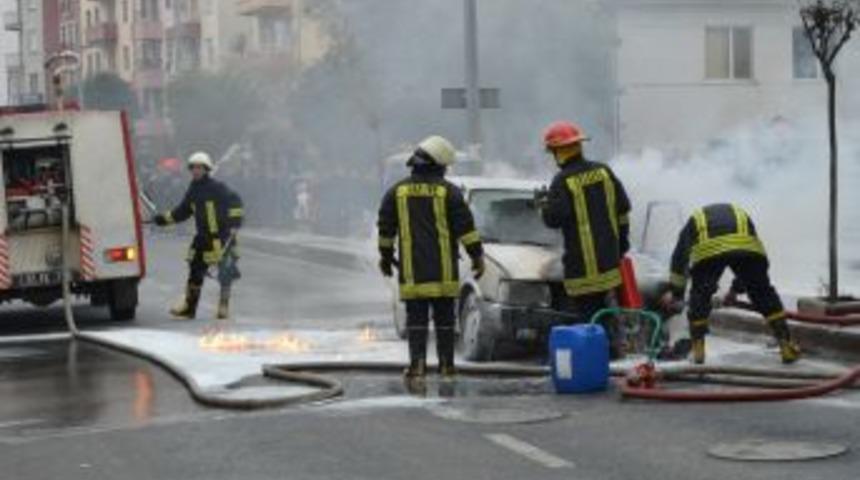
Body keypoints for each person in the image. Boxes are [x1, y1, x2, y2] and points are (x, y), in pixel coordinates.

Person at [377, 135, 485, 387]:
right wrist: (477, 257)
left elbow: (386, 230)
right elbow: (466, 229)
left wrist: (385, 258)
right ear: (438, 164)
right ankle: (447, 367)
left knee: (416, 321)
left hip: (412, 272)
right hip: (444, 272)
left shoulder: (396, 192)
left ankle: (417, 368)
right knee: (445, 321)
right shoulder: (450, 192)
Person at [660, 203, 800, 364]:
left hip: (709, 251)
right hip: (745, 248)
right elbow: (751, 262)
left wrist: (676, 293)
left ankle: (698, 353)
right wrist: (735, 290)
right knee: (763, 293)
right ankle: (786, 346)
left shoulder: (693, 222)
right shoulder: (741, 214)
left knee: (700, 295)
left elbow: (679, 259)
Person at [539, 121, 632, 357]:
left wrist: (544, 205)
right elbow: (623, 209)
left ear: (559, 152)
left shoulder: (562, 181)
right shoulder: (603, 171)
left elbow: (554, 219)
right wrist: (622, 244)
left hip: (582, 266)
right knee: (606, 309)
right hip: (609, 261)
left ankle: (593, 358)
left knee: (587, 317)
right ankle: (613, 350)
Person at [153, 151, 244, 320]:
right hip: (202, 238)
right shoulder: (193, 190)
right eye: (193, 168)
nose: (196, 171)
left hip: (222, 237)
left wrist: (235, 224)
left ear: (206, 169)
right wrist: (162, 219)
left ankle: (223, 307)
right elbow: (182, 212)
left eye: (199, 168)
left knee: (225, 273)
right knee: (195, 271)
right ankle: (189, 308)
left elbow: (236, 201)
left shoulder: (217, 187)